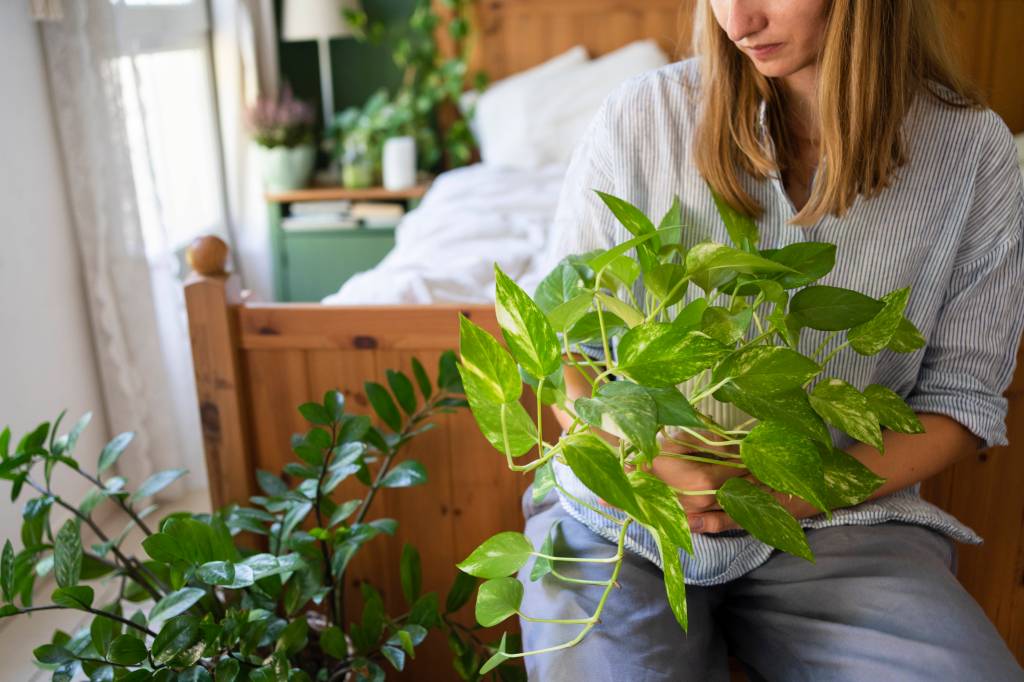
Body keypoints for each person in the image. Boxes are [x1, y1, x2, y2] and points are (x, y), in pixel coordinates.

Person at [518, 0, 1024, 679]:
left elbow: (962, 403)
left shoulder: (976, 155)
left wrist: (783, 497)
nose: (738, 20)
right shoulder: (644, 116)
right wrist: (639, 462)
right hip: (626, 518)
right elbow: (560, 340)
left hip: (841, 521)